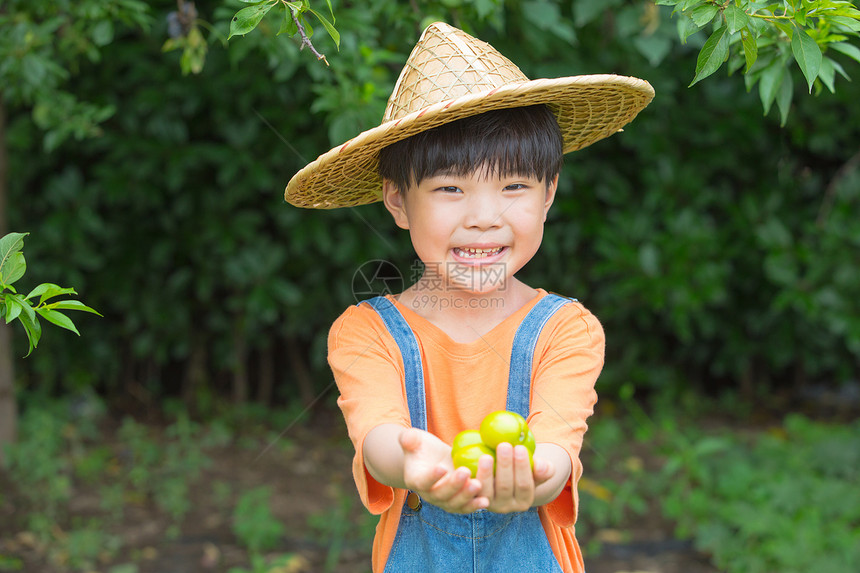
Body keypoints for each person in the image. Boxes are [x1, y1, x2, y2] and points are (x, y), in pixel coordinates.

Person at [284, 21, 654, 573]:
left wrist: (531, 479)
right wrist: (415, 466)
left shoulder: (566, 330)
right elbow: (377, 436)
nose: (484, 218)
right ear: (399, 202)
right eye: (450, 188)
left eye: (514, 187)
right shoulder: (366, 332)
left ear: (549, 193)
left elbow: (556, 449)